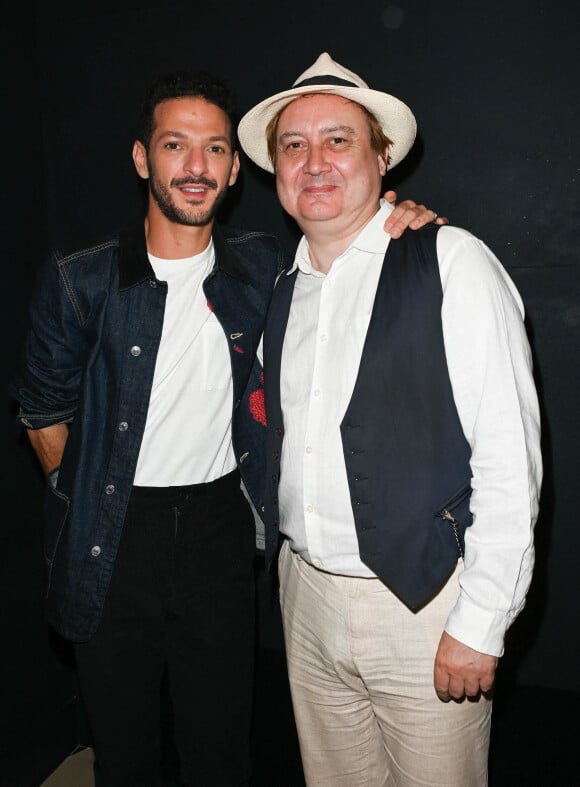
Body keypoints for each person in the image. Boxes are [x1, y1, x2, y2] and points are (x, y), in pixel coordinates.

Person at [9, 70, 438, 787]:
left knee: (220, 748)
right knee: (126, 752)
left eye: (214, 149)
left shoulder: (263, 266)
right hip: (112, 532)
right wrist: (86, 493)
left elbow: (348, 244)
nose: (196, 166)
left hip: (218, 528)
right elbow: (43, 410)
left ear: (237, 170)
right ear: (144, 158)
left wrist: (403, 216)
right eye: (176, 145)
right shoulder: (78, 278)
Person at [238, 52, 542, 786]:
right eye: (293, 144)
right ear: (275, 169)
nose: (314, 161)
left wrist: (480, 621)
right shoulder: (283, 287)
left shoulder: (452, 261)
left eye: (338, 139)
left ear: (382, 156)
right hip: (304, 598)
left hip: (425, 602)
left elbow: (510, 456)